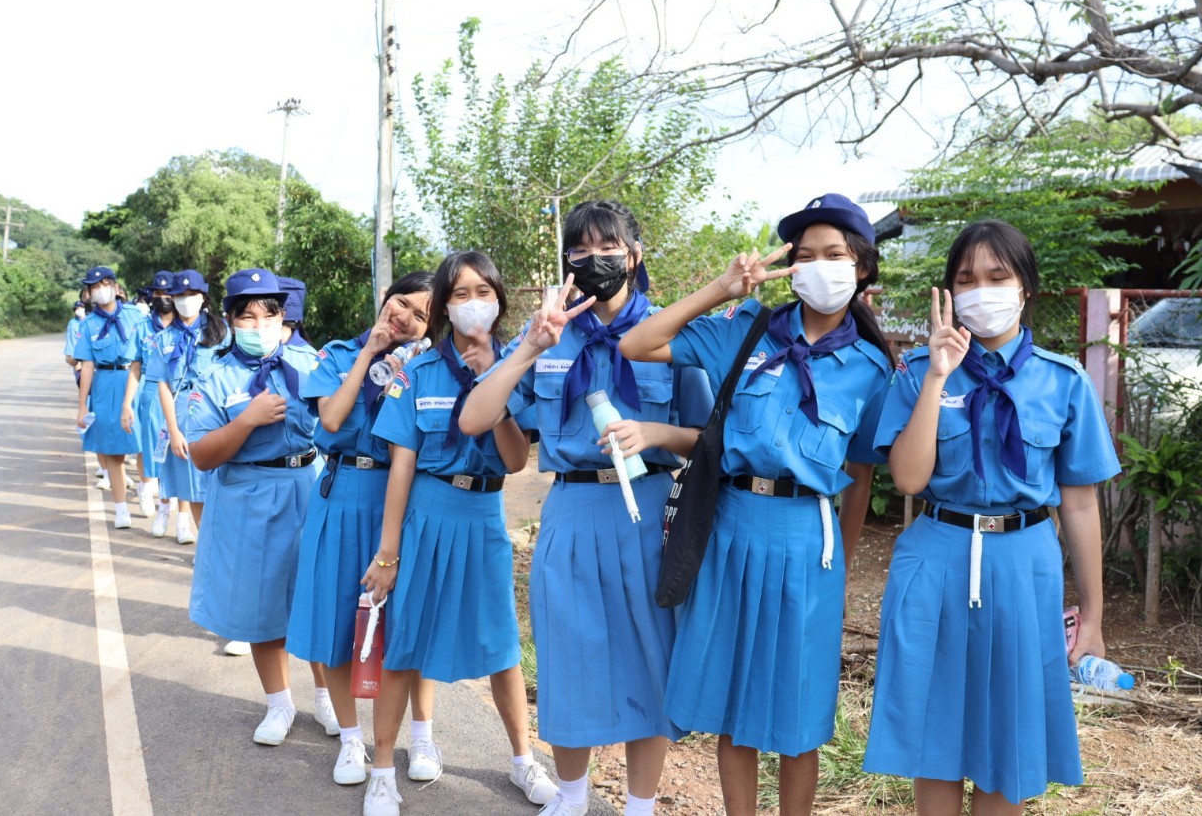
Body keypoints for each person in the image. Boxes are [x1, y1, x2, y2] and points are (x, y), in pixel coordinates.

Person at [619, 194, 894, 816]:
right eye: (805, 256)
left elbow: (860, 474)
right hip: (731, 528)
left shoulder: (873, 367)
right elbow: (637, 342)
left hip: (808, 539)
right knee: (733, 703)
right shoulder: (746, 331)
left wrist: (843, 564)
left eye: (834, 255)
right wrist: (721, 288)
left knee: (800, 713)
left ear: (861, 267)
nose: (818, 267)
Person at [459, 200, 713, 816]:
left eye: (607, 248)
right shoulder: (551, 333)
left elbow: (711, 441)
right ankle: (571, 797)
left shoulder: (670, 332)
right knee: (568, 657)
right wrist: (527, 347)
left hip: (650, 510)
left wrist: (654, 432)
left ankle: (640, 806)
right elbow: (474, 418)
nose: (594, 259)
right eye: (580, 250)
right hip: (571, 508)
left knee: (651, 658)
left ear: (634, 254)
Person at [860, 220, 1121, 815]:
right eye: (966, 279)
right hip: (936, 557)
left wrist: (1094, 617)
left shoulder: (1064, 380)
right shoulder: (920, 371)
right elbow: (908, 479)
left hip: (1024, 563)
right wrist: (937, 376)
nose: (982, 290)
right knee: (935, 729)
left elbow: (1080, 504)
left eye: (997, 277)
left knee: (1011, 730)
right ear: (950, 292)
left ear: (1025, 286)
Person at [361, 252, 557, 816]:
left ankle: (523, 760)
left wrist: (495, 380)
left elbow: (515, 461)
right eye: (460, 294)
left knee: (502, 646)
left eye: (483, 291)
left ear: (499, 298)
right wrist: (388, 552)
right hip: (428, 512)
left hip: (484, 516)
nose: (473, 303)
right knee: (405, 645)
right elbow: (401, 468)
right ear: (444, 306)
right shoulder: (417, 372)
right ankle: (382, 771)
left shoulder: (517, 364)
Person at [286, 271, 440, 788]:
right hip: (344, 493)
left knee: (408, 621)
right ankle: (351, 740)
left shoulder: (427, 366)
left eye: (420, 315)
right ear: (385, 297)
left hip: (404, 498)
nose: (405, 317)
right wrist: (369, 353)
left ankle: (422, 736)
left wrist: (408, 364)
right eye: (402, 302)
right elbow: (331, 420)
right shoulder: (336, 354)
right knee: (335, 620)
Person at [186, 268, 325, 745]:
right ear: (229, 319)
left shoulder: (311, 363)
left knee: (316, 595)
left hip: (308, 484)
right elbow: (202, 455)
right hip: (248, 493)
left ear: (283, 317)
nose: (258, 326)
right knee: (262, 604)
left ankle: (327, 697)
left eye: (268, 315)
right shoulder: (214, 372)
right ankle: (279, 704)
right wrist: (246, 420)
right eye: (246, 316)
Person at [151, 269, 226, 544]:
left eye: (191, 294)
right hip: (183, 412)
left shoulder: (222, 331)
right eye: (180, 295)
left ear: (203, 297)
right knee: (193, 486)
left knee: (221, 482)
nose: (186, 300)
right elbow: (163, 385)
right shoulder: (163, 338)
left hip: (217, 409)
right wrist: (173, 431)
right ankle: (205, 548)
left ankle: (220, 547)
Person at [76, 266, 147, 530]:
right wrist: (82, 405)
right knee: (112, 450)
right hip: (105, 384)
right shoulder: (88, 324)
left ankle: (145, 486)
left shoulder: (136, 315)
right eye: (94, 286)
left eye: (104, 284)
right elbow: (87, 366)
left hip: (137, 380)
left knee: (144, 441)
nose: (100, 290)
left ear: (116, 288)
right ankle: (120, 508)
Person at [123, 271, 176, 518]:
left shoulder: (184, 327)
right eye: (158, 293)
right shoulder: (142, 326)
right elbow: (135, 367)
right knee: (148, 443)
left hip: (179, 392)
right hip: (151, 391)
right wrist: (127, 404)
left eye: (167, 293)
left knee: (174, 444)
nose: (163, 297)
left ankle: (168, 493)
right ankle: (145, 487)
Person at [64, 301, 87, 384]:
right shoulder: (72, 322)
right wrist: (69, 354)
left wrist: (83, 318)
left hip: (86, 354)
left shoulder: (88, 321)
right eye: (77, 309)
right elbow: (70, 338)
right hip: (74, 354)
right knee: (80, 378)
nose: (79, 310)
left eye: (81, 308)